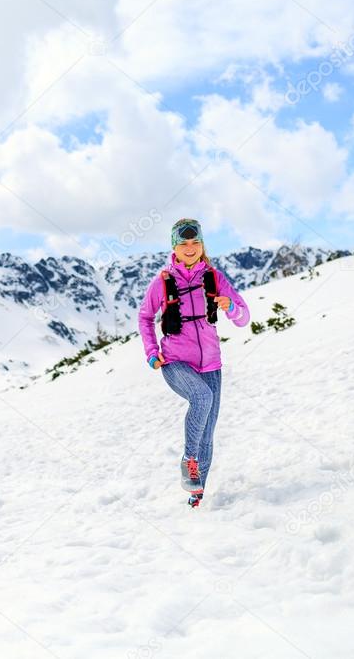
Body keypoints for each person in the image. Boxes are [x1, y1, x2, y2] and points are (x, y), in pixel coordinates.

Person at [137, 218, 250, 508]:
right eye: (184, 243)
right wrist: (151, 351)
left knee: (208, 433)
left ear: (202, 245)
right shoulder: (163, 282)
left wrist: (232, 307)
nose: (190, 248)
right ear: (174, 246)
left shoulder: (213, 277)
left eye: (195, 242)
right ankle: (188, 460)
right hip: (175, 362)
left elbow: (244, 318)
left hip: (211, 364)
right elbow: (145, 317)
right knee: (201, 397)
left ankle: (196, 495)